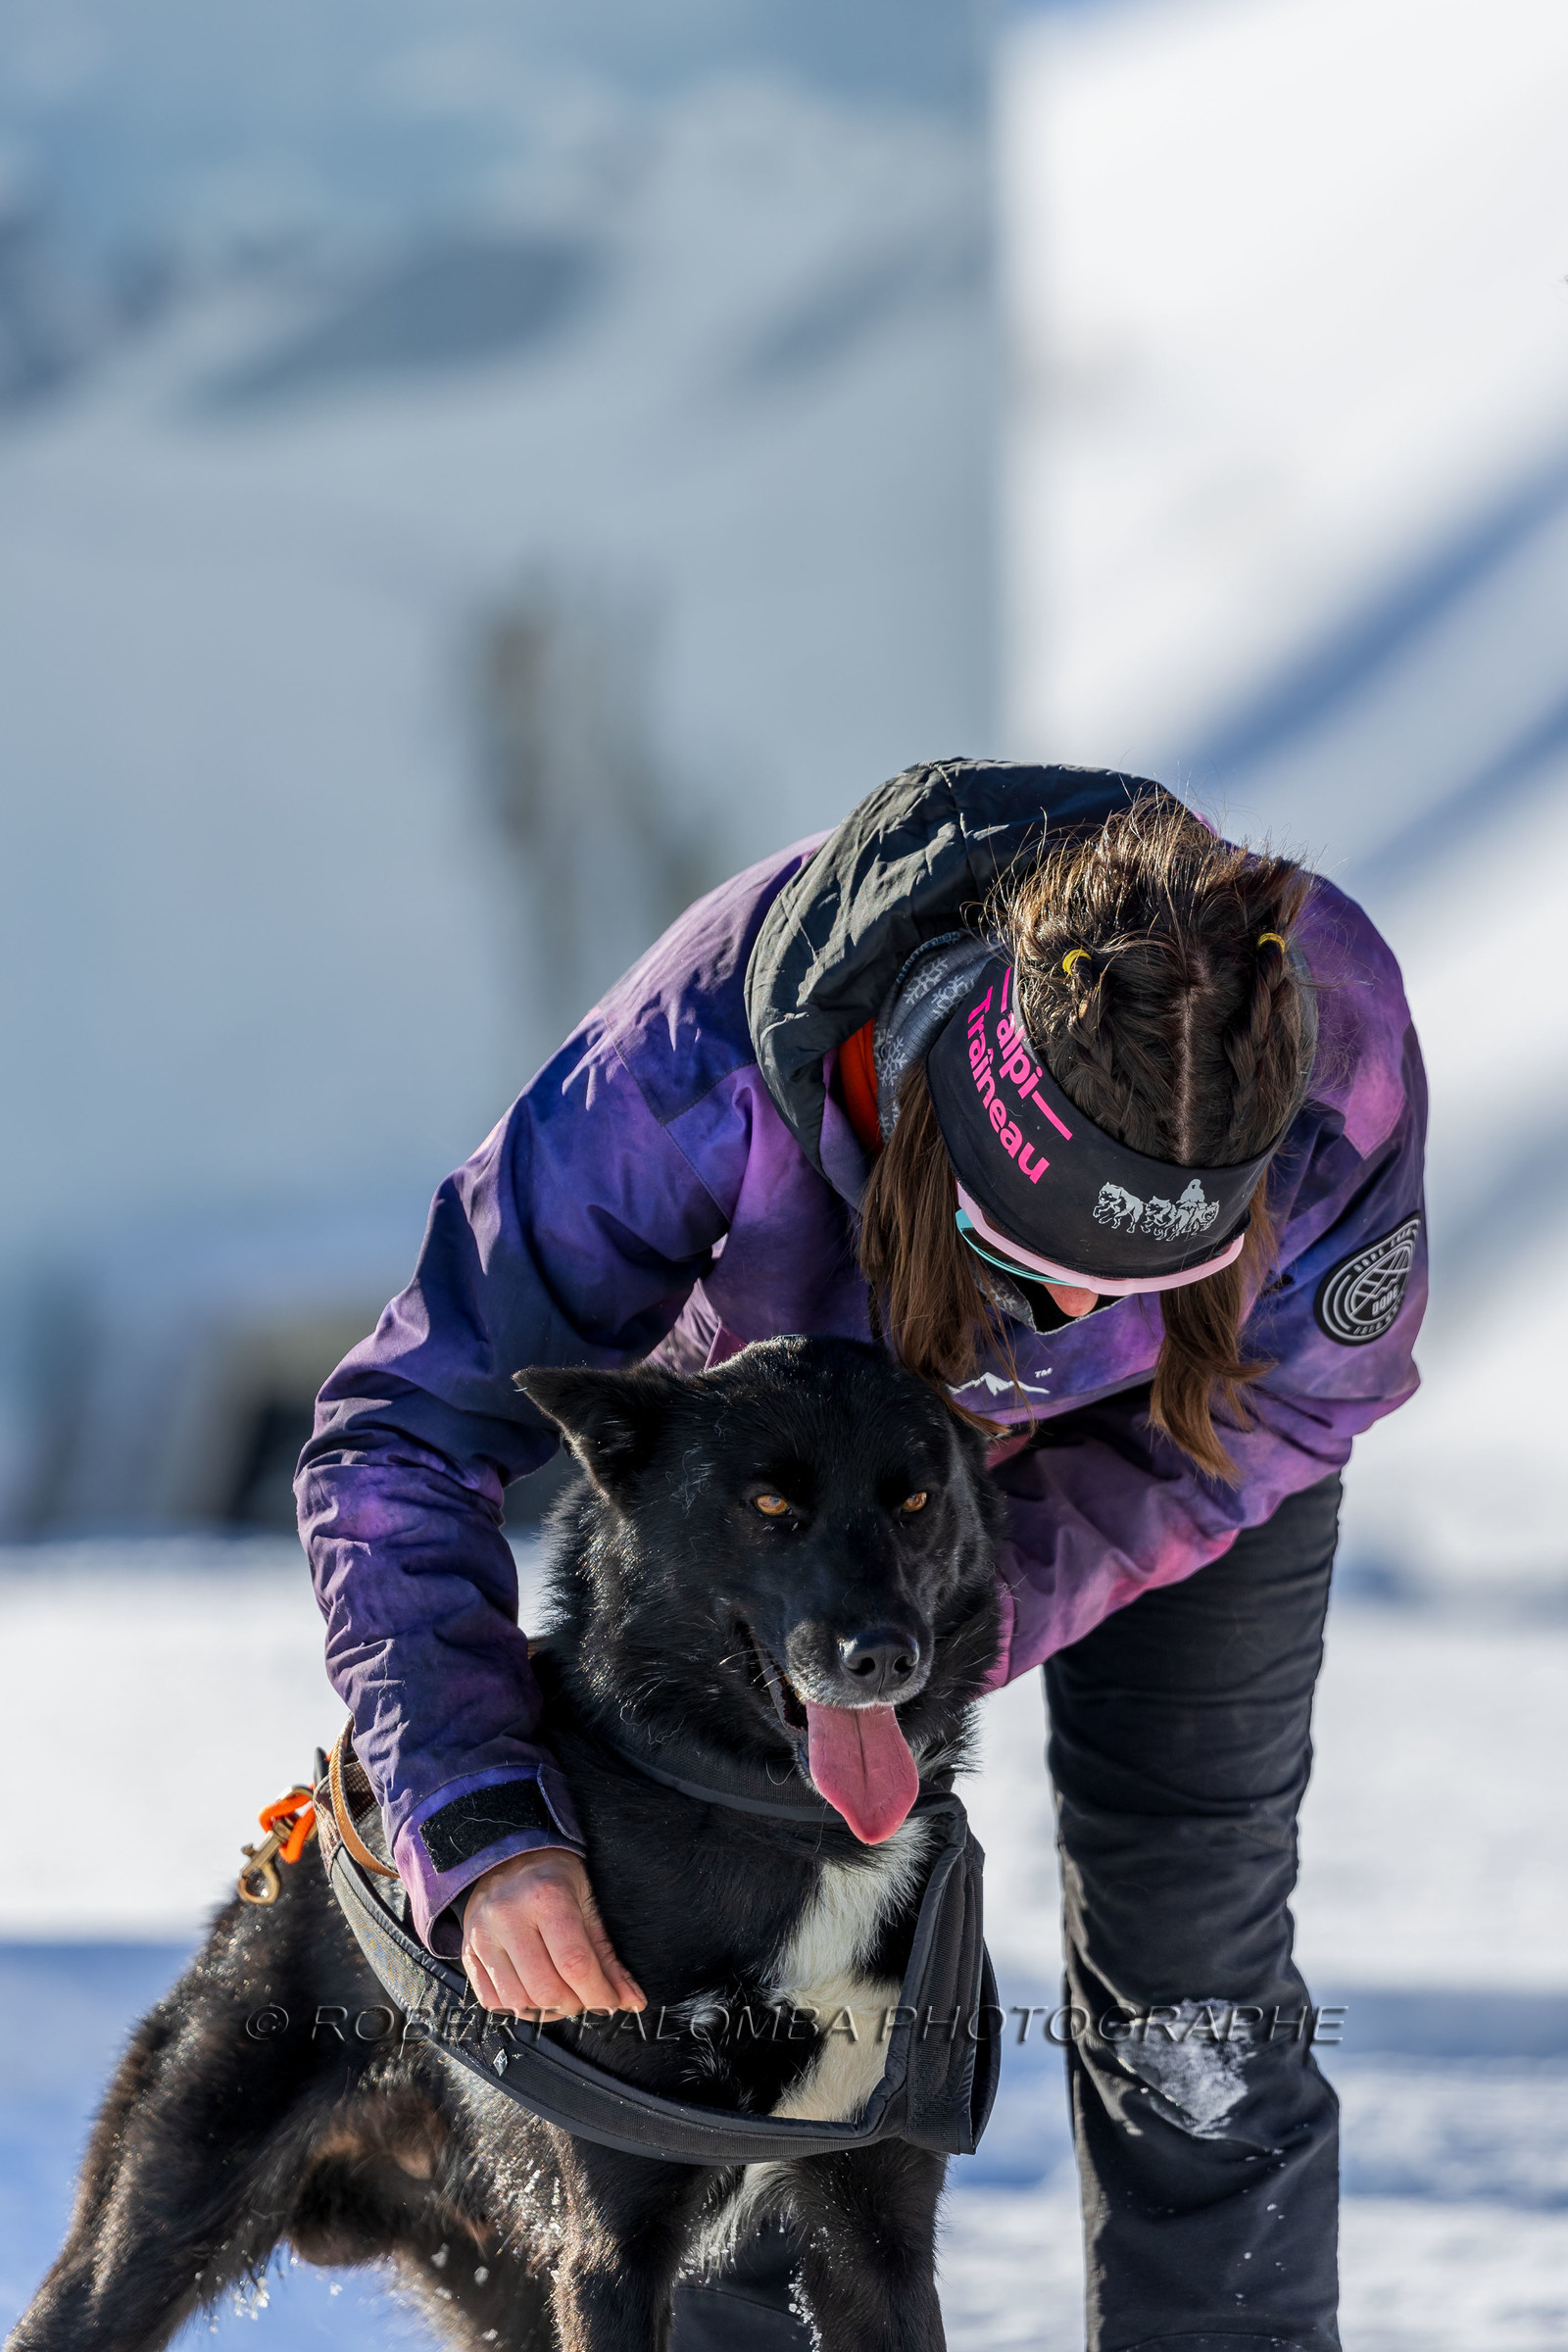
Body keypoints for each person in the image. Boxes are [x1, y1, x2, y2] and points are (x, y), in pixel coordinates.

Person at [300, 761, 1426, 2352]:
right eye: (1031, 1273)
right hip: (794, 1463)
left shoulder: (1325, 1050)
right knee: (720, 1926)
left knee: (1198, 1960)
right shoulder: (696, 1070)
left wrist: (962, 1601)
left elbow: (1307, 1391)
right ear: (924, 1124)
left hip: (1185, 1450)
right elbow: (406, 1428)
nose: (1075, 1327)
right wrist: (475, 1811)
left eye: (1142, 1284)